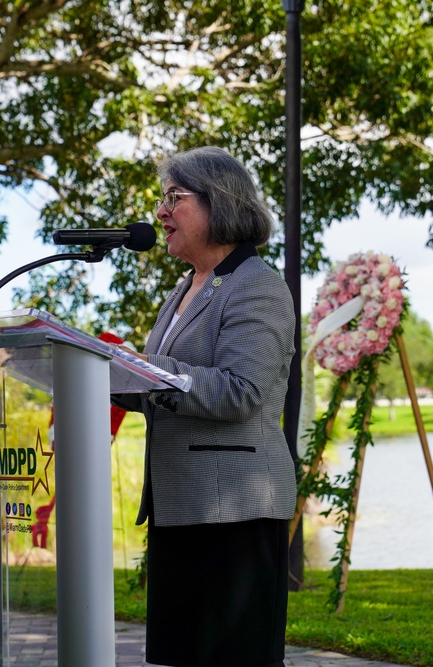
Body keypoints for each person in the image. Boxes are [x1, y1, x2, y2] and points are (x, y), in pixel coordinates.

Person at [112, 146, 297, 667]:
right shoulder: (185, 288)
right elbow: (162, 389)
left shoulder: (257, 285)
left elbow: (242, 391)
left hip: (234, 511)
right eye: (161, 199)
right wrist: (100, 376)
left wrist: (145, 369)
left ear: (219, 202)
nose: (161, 212)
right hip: (182, 506)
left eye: (174, 198)